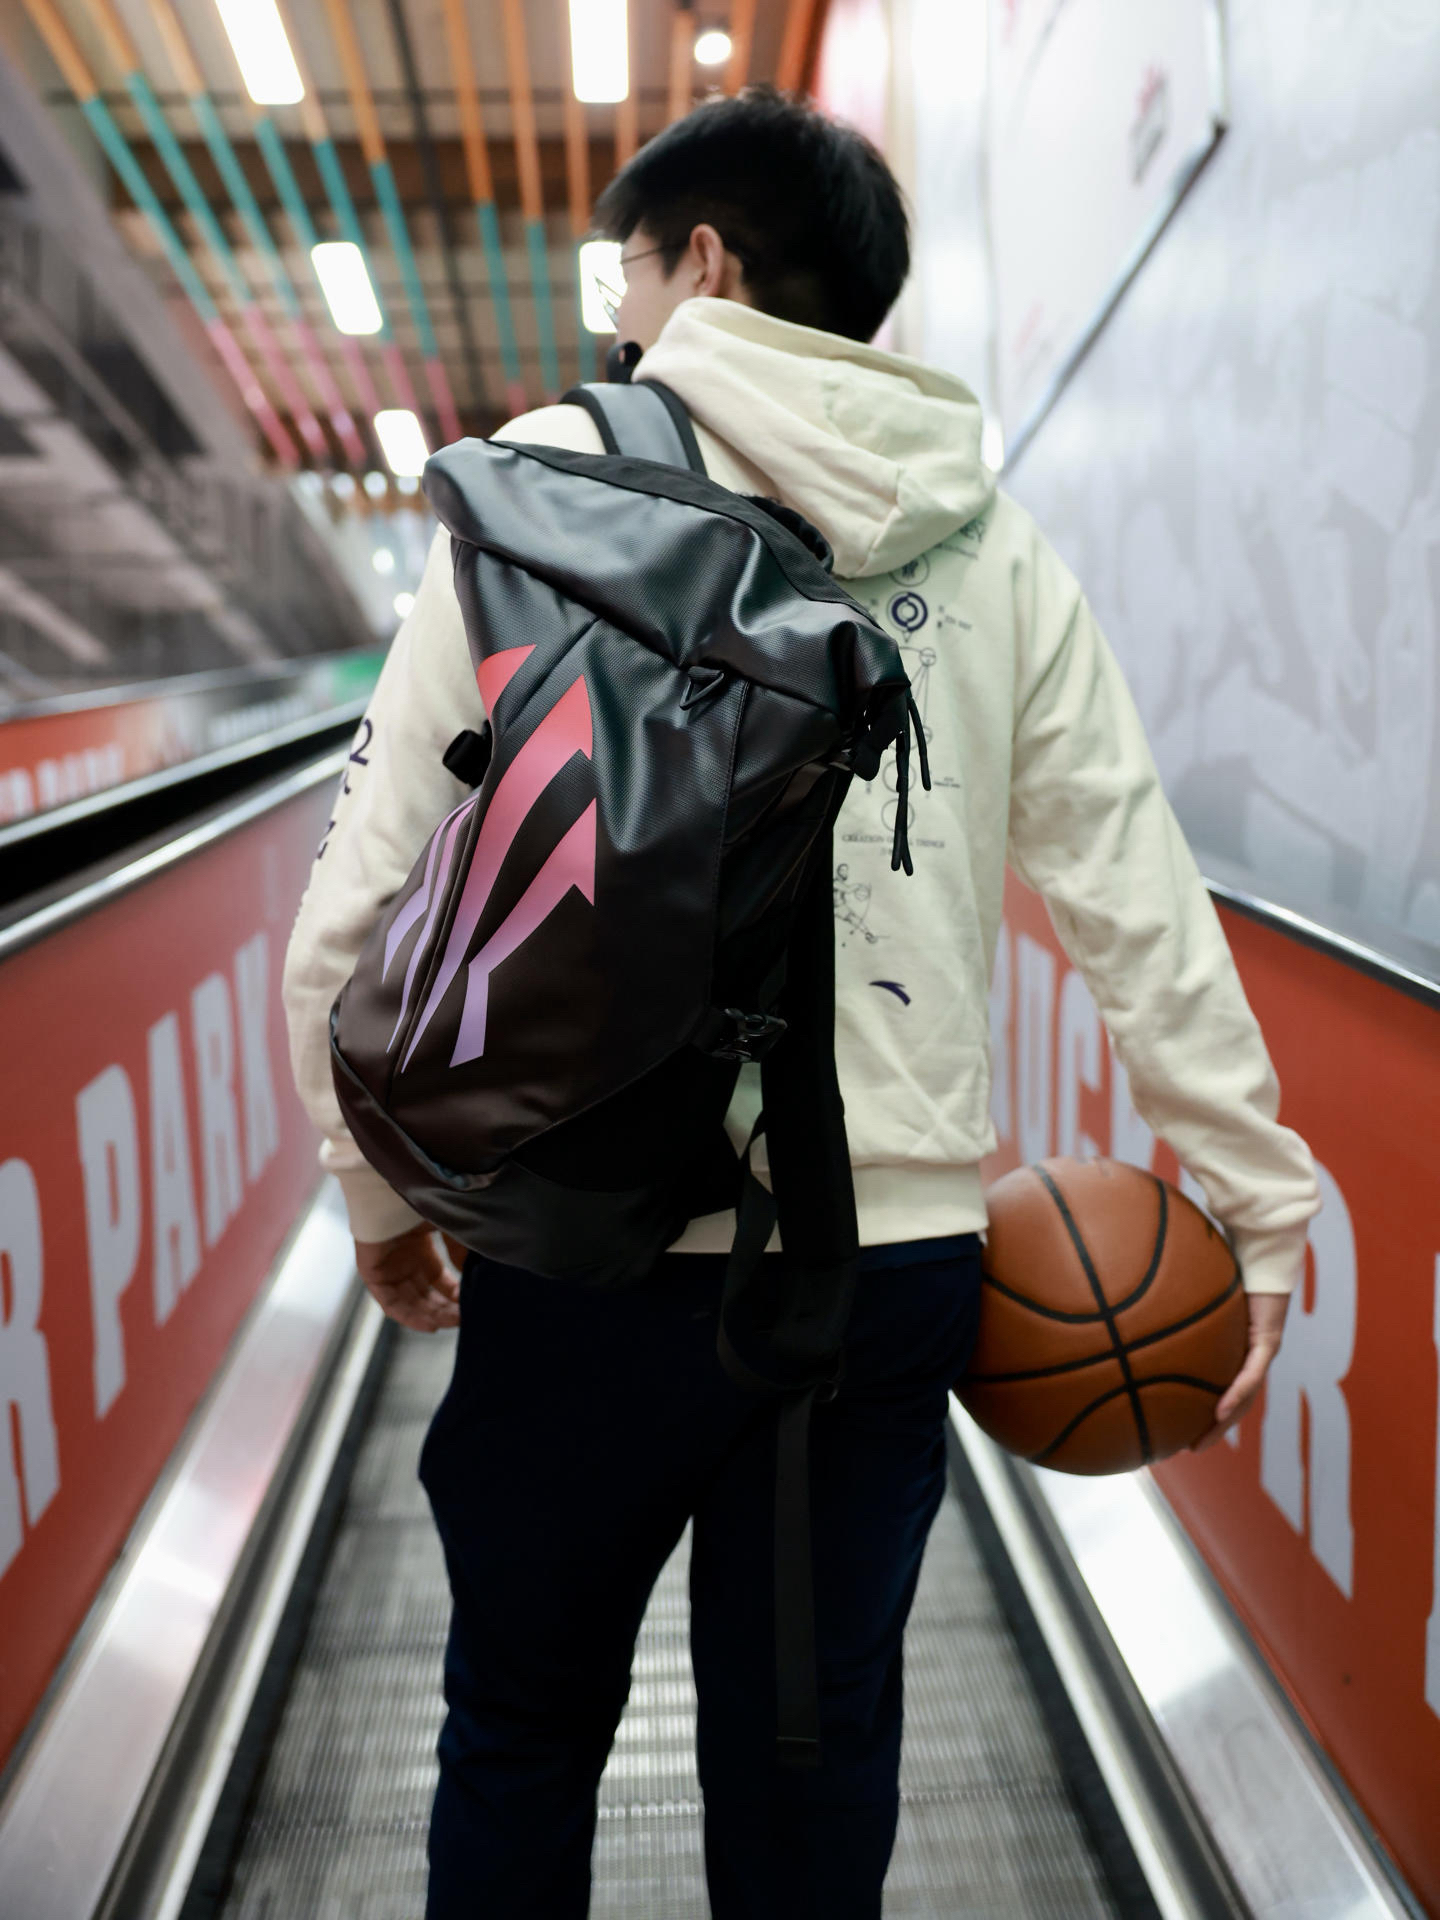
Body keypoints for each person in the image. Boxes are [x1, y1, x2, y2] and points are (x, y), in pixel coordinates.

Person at [282, 87, 1319, 1920]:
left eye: (626, 272)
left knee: (521, 1725)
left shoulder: (540, 484)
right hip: (885, 1263)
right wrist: (1256, 1201)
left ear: (705, 261)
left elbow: (357, 903)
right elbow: (1132, 892)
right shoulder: (987, 535)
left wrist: (377, 1192)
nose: (617, 315)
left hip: (581, 1238)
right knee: (814, 1752)